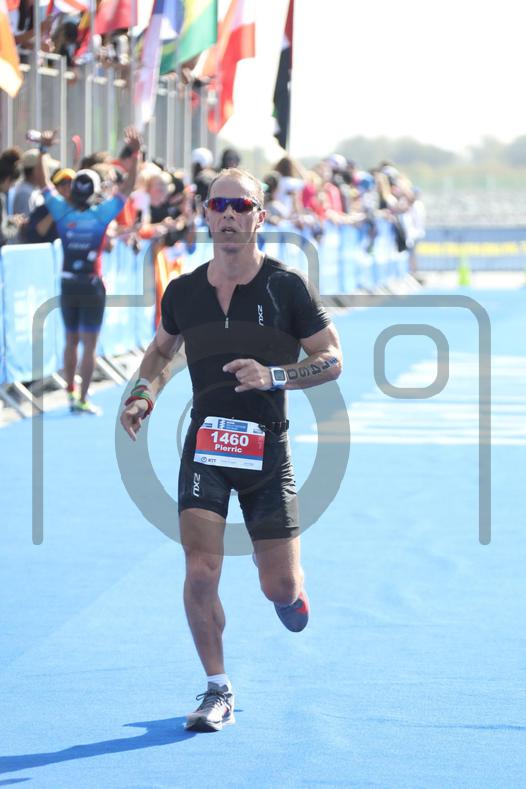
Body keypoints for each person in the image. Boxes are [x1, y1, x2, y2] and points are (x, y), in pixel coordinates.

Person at [120, 167, 343, 732]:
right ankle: (217, 688)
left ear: (259, 217)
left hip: (267, 453)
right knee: (201, 570)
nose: (228, 215)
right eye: (218, 205)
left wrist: (274, 375)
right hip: (207, 447)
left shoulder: (286, 287)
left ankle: (291, 594)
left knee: (279, 587)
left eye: (240, 206)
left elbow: (332, 358)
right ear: (205, 214)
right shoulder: (184, 290)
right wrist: (144, 393)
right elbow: (161, 351)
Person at [33, 127, 141, 414]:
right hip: (92, 284)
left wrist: (43, 151)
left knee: (71, 340)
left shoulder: (62, 212)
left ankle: (70, 393)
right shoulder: (100, 215)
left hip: (68, 283)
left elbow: (43, 184)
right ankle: (82, 398)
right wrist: (135, 154)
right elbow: (128, 188)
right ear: (94, 191)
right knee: (89, 344)